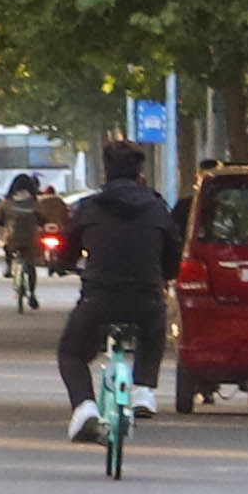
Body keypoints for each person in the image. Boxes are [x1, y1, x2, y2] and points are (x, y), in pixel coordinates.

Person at [57, 140, 182, 437]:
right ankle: (143, 389)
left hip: (99, 298)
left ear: (106, 172)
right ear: (141, 173)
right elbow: (173, 257)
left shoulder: (89, 208)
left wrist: (64, 264)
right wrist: (162, 275)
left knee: (71, 353)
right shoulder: (157, 208)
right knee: (154, 328)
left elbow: (67, 252)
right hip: (145, 297)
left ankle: (85, 406)